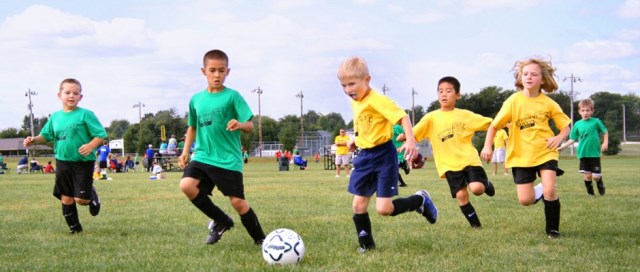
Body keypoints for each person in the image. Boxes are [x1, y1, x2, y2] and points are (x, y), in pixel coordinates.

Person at [337, 56, 437, 253]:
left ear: (367, 80)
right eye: (343, 85)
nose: (348, 89)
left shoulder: (378, 100)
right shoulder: (356, 102)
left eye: (352, 84)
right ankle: (367, 246)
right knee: (358, 205)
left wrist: (410, 140)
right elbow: (367, 125)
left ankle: (420, 200)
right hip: (364, 157)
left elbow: (402, 117)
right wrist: (355, 139)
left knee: (384, 209)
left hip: (383, 156)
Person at [177, 49, 266, 246]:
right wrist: (185, 152)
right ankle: (221, 220)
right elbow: (192, 127)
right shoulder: (196, 99)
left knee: (237, 202)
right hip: (202, 155)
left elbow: (250, 126)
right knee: (186, 185)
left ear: (228, 72)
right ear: (204, 71)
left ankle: (261, 240)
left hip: (228, 159)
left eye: (221, 70)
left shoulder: (233, 96)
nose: (217, 75)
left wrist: (240, 124)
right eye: (212, 70)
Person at [481, 57, 571, 239]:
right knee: (525, 200)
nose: (529, 77)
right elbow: (494, 126)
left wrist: (559, 137)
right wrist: (487, 146)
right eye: (525, 74)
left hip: (546, 152)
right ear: (520, 78)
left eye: (534, 74)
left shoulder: (548, 103)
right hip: (520, 156)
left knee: (551, 190)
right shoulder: (512, 101)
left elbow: (565, 127)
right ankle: (541, 189)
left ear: (542, 79)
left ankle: (553, 230)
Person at [23, 78, 107, 234]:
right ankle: (75, 229)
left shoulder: (86, 115)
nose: (71, 96)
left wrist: (90, 146)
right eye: (67, 92)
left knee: (81, 200)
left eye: (76, 93)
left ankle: (92, 194)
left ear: (80, 97)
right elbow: (46, 135)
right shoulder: (55, 117)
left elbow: (100, 135)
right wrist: (33, 140)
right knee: (66, 197)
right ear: (59, 95)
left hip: (83, 162)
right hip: (62, 162)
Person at [413, 76, 495, 229]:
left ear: (457, 95)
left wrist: (507, 122)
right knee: (461, 195)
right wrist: (406, 136)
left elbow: (491, 123)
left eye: (448, 91)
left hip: (469, 159)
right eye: (440, 91)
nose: (443, 94)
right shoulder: (431, 118)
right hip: (448, 164)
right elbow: (415, 132)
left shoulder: (464, 115)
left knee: (477, 189)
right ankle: (476, 226)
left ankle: (486, 184)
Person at [557, 98, 609, 196]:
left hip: (594, 153)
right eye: (583, 110)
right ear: (579, 112)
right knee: (587, 175)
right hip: (583, 153)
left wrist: (605, 142)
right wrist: (562, 148)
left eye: (588, 110)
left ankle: (600, 183)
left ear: (592, 111)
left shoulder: (596, 121)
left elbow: (605, 131)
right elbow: (572, 139)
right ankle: (590, 193)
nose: (585, 113)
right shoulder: (577, 124)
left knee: (596, 176)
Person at [392, 121, 409, 187]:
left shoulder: (397, 127)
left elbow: (405, 137)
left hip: (398, 150)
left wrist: (403, 146)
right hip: (392, 150)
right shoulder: (389, 127)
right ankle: (403, 164)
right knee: (393, 168)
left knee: (393, 168)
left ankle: (403, 164)